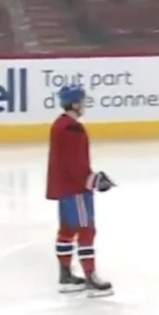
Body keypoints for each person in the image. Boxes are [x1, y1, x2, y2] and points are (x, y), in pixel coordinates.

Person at [47, 84, 115, 297]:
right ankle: (90, 276)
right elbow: (75, 163)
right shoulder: (72, 129)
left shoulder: (59, 125)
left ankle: (65, 275)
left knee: (67, 230)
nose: (84, 105)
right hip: (77, 190)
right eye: (82, 101)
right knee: (86, 230)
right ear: (75, 103)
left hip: (65, 189)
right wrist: (94, 181)